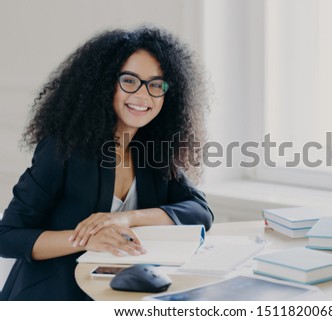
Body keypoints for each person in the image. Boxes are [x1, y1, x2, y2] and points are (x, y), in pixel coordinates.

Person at [0, 26, 214, 300]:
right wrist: (85, 239)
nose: (143, 95)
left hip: (117, 294)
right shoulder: (62, 148)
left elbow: (200, 211)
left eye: (156, 84)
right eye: (129, 81)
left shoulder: (152, 151)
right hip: (53, 295)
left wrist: (127, 217)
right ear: (104, 84)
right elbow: (7, 236)